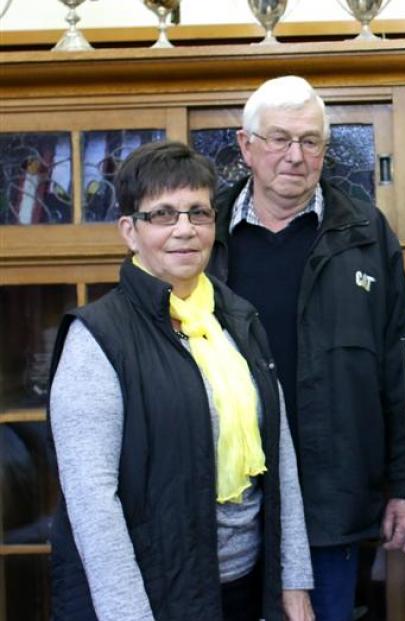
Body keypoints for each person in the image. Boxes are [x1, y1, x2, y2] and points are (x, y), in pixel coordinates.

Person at [48, 141, 314, 621]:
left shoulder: (237, 319)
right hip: (153, 598)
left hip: (246, 588)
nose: (185, 230)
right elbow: (93, 507)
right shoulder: (96, 339)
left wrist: (293, 582)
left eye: (199, 213)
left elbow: (282, 456)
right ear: (129, 230)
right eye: (164, 215)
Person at [207, 75, 405, 621]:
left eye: (310, 141)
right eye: (279, 138)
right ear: (246, 145)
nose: (295, 156)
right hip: (228, 505)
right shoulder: (203, 235)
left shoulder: (366, 232)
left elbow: (404, 367)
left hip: (333, 497)